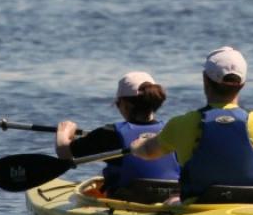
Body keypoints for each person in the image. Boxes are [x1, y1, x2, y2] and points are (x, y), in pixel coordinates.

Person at [131, 47, 253, 202]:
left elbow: (147, 152)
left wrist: (136, 144)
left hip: (200, 209)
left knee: (171, 201)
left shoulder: (181, 124)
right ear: (242, 84)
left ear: (205, 79)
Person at [55, 71, 180, 200]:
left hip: (125, 200)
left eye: (117, 103)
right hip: (171, 197)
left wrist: (64, 130)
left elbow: (65, 153)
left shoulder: (110, 133)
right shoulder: (174, 130)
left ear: (126, 105)